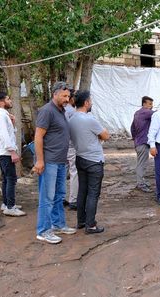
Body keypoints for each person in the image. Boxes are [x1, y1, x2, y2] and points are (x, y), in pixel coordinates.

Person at [33, 81, 77, 244]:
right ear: (55, 94)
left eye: (68, 96)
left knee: (59, 195)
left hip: (60, 161)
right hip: (49, 161)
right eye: (64, 96)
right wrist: (40, 160)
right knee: (47, 197)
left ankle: (58, 224)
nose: (67, 99)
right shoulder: (47, 111)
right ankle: (43, 230)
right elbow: (38, 137)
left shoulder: (62, 111)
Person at [69, 90, 109, 234]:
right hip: (93, 160)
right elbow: (105, 135)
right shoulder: (89, 119)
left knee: (82, 191)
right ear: (86, 103)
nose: (91, 103)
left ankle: (81, 221)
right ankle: (90, 225)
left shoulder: (71, 119)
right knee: (93, 193)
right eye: (90, 101)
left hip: (80, 158)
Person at [0, 91, 26, 217]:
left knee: (6, 179)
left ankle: (6, 204)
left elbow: (9, 132)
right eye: (8, 99)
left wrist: (13, 123)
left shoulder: (3, 115)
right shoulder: (0, 116)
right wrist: (12, 151)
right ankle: (10, 207)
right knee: (11, 178)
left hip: (3, 151)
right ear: (2, 102)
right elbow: (4, 135)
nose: (10, 101)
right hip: (5, 152)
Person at [131, 96, 154, 193]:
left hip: (138, 142)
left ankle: (141, 181)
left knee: (141, 163)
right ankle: (140, 183)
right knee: (141, 164)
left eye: (152, 104)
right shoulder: (146, 112)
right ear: (144, 104)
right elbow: (159, 114)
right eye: (149, 104)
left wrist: (135, 138)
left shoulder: (137, 113)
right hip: (142, 143)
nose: (151, 106)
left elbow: (132, 128)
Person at [64, 89, 78, 210]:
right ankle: (73, 200)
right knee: (74, 172)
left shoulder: (60, 110)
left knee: (62, 172)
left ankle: (61, 197)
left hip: (61, 146)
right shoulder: (72, 112)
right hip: (71, 146)